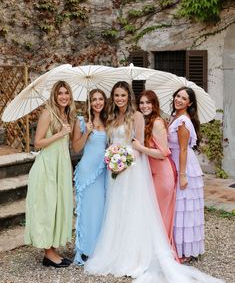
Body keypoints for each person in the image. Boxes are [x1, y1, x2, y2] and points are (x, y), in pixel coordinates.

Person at [85, 81, 224, 283]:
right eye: (116, 95)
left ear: (128, 97)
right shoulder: (113, 117)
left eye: (123, 95)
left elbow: (139, 145)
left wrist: (124, 158)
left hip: (131, 168)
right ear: (112, 98)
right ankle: (117, 248)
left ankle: (137, 253)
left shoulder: (137, 116)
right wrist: (112, 157)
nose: (119, 99)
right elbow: (111, 141)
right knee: (117, 210)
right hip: (115, 170)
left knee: (135, 210)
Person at [25, 80, 76, 268]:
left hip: (61, 166)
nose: (64, 96)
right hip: (47, 167)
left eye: (66, 93)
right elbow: (37, 143)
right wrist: (60, 133)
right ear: (54, 96)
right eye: (60, 93)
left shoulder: (66, 114)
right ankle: (48, 254)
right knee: (48, 207)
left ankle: (53, 250)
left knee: (58, 206)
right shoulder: (47, 113)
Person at [132, 90, 178, 257]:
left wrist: (140, 147)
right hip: (152, 173)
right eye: (141, 103)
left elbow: (164, 152)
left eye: (148, 103)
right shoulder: (146, 121)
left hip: (162, 174)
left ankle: (162, 254)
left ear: (154, 104)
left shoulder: (157, 122)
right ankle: (153, 252)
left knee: (160, 215)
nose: (144, 106)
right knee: (154, 214)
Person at [168, 86, 204, 263]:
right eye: (177, 96)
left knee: (185, 208)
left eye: (183, 98)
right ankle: (178, 245)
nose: (179, 99)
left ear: (189, 103)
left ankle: (186, 250)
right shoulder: (175, 117)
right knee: (179, 207)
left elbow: (182, 149)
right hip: (176, 162)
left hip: (184, 165)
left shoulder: (183, 121)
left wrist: (182, 175)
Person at [72, 89, 107, 265]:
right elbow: (76, 148)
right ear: (89, 102)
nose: (97, 102)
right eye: (94, 99)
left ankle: (100, 248)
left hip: (104, 171)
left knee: (102, 210)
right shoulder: (81, 121)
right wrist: (87, 132)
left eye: (100, 99)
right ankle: (85, 250)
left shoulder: (109, 120)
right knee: (88, 211)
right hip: (88, 172)